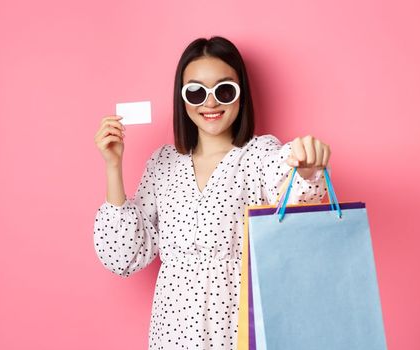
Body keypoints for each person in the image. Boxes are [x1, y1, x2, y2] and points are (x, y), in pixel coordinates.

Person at [91, 36, 331, 350]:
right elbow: (123, 256)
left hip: (237, 327)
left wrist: (307, 166)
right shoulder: (163, 164)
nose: (211, 103)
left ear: (241, 95)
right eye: (196, 91)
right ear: (183, 98)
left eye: (224, 90)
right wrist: (113, 165)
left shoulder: (259, 156)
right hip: (173, 331)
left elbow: (297, 189)